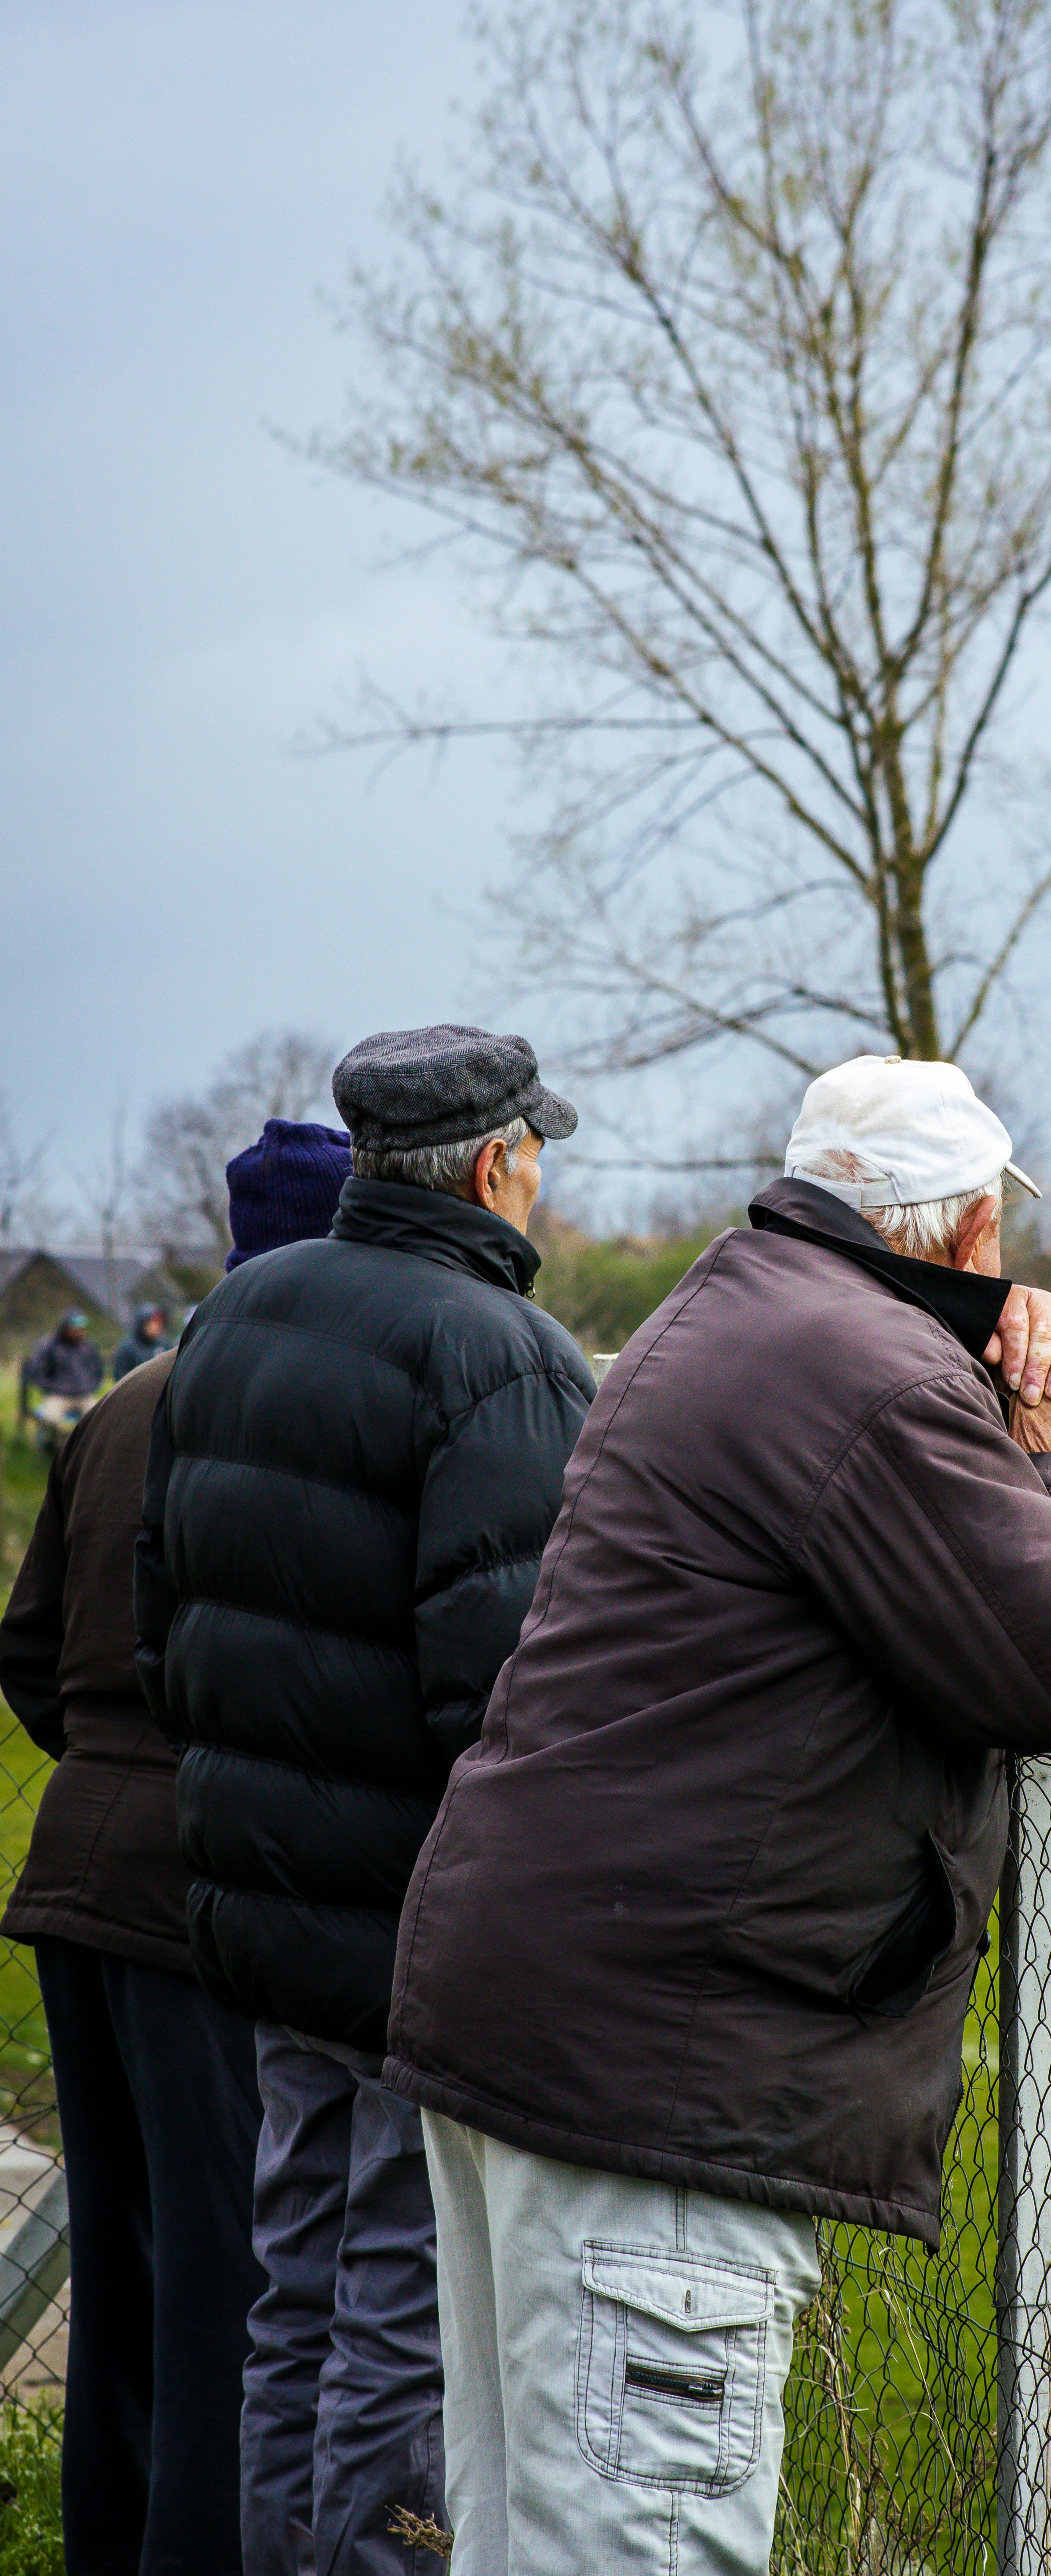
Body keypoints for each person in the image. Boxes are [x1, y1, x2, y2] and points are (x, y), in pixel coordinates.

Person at [384, 1052, 1051, 2576]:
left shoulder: (747, 1309)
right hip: (660, 2081)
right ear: (961, 1225)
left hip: (553, 2024)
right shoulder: (865, 1379)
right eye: (993, 1237)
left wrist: (984, 1347)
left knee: (531, 2545)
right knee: (643, 2547)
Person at [135, 1033, 596, 2576]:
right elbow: (512, 1690)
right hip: (408, 1925)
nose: (544, 1181)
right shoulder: (499, 1352)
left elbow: (162, 1627)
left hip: (258, 1903)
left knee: (295, 2299)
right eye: (539, 1152)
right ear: (493, 1165)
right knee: (404, 2317)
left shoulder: (230, 1318)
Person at [0, 1121, 350, 2576]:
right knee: (224, 2286)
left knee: (130, 2284)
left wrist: (103, 1751)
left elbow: (22, 1651)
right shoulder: (287, 1404)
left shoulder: (125, 1400)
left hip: (76, 1870)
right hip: (196, 1889)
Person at [18, 1310, 105, 1448]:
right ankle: (56, 1448)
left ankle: (86, 1452)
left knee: (101, 1418)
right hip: (58, 1396)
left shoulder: (88, 1347)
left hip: (84, 1396)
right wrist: (50, 1388)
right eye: (75, 1328)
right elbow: (35, 1369)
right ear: (65, 1328)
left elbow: (99, 1370)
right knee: (50, 1419)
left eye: (82, 1328)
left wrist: (91, 1386)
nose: (79, 1332)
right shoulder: (50, 1345)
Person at [112, 1303, 171, 1381]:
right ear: (142, 1323)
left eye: (159, 1322)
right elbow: (120, 1377)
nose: (157, 1326)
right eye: (153, 1322)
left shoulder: (164, 1345)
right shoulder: (127, 1348)